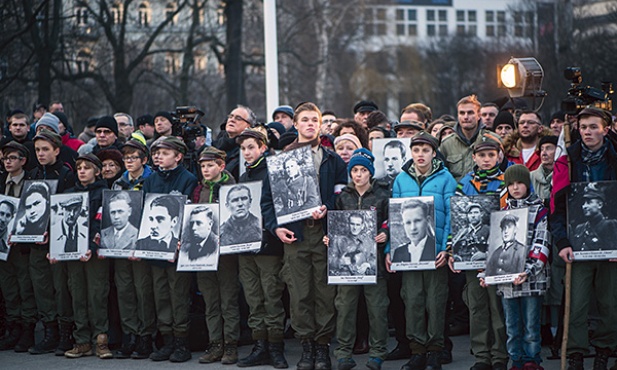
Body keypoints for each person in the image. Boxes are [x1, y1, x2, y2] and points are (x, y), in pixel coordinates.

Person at [262, 102, 348, 370]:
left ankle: (322, 346)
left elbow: (341, 197)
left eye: (315, 120)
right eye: (305, 120)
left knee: (324, 293)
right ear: (296, 124)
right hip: (296, 236)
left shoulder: (332, 160)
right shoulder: (280, 161)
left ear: (320, 125)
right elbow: (267, 201)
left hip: (324, 236)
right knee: (299, 294)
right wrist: (276, 227)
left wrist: (328, 211)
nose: (310, 124)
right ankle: (306, 346)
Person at [551, 107, 617, 370]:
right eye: (583, 127)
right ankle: (576, 352)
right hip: (577, 245)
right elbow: (557, 206)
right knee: (576, 303)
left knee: (609, 302)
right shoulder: (567, 160)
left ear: (606, 128)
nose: (587, 132)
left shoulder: (614, 160)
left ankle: (604, 349)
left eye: (593, 127)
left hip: (611, 245)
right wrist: (562, 242)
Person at [387, 132, 457, 370]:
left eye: (425, 150)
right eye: (416, 150)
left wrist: (446, 248)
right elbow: (394, 218)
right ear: (411, 153)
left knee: (435, 301)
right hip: (409, 254)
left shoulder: (446, 178)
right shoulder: (401, 180)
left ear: (433, 153)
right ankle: (417, 350)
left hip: (435, 252)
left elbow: (451, 214)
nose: (420, 155)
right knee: (413, 299)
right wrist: (391, 249)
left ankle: (435, 350)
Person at [324, 148, 389, 370]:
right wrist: (329, 238)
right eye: (354, 170)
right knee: (345, 307)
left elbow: (390, 221)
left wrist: (385, 233)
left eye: (363, 170)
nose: (358, 174)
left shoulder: (381, 195)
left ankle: (378, 352)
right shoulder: (343, 197)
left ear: (370, 172)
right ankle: (343, 353)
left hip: (375, 263)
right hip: (345, 266)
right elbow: (336, 226)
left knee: (377, 308)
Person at [483, 164, 550, 370]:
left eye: (520, 182)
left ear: (527, 183)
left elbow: (542, 243)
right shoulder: (502, 213)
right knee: (512, 326)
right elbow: (493, 247)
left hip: (531, 278)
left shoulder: (540, 210)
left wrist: (529, 269)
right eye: (510, 184)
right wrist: (487, 274)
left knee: (531, 325)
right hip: (507, 282)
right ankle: (516, 360)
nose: (515, 187)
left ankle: (531, 360)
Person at [449, 137, 508, 370]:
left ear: (498, 157)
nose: (486, 160)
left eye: (491, 155)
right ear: (474, 157)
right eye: (481, 155)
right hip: (471, 257)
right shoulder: (465, 183)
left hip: (498, 255)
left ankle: (500, 354)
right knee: (476, 306)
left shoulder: (505, 182)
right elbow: (458, 219)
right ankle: (482, 355)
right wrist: (452, 249)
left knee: (497, 305)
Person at [231, 128, 288, 368]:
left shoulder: (273, 171)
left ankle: (276, 346)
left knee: (271, 296)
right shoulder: (243, 176)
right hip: (245, 247)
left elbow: (279, 206)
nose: (247, 152)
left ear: (263, 147)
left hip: (269, 245)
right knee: (253, 297)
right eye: (243, 148)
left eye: (251, 147)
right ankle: (259, 345)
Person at [141, 136, 197, 363]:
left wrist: (182, 239)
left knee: (178, 294)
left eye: (164, 153)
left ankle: (182, 341)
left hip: (178, 247)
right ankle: (167, 341)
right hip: (155, 248)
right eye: (156, 153)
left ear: (178, 156)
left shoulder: (188, 179)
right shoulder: (150, 180)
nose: (158, 157)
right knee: (161, 293)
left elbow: (191, 212)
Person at [190, 146, 241, 365]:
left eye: (210, 165)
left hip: (226, 253)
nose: (206, 169)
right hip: (203, 253)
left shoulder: (232, 188)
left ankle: (231, 344)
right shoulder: (198, 190)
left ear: (221, 165)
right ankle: (215, 343)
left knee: (228, 299)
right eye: (202, 166)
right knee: (210, 300)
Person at [60, 153, 111, 359]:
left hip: (94, 251)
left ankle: (101, 339)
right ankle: (81, 340)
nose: (82, 171)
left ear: (97, 172)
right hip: (72, 252)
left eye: (87, 168)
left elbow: (101, 221)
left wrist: (92, 245)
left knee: (97, 294)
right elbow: (59, 222)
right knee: (77, 293)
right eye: (79, 168)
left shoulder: (102, 192)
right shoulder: (69, 193)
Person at [109, 140, 156, 360]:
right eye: (126, 158)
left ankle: (146, 335)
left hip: (142, 244)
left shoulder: (152, 180)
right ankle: (130, 334)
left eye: (133, 158)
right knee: (125, 290)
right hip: (120, 245)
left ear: (144, 160)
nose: (129, 162)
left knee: (142, 290)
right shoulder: (118, 183)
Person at [0, 142, 36, 352]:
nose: (8, 162)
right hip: (3, 244)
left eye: (12, 158)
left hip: (22, 243)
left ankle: (27, 327)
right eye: (5, 158)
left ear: (22, 161)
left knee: (25, 284)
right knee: (8, 285)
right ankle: (13, 325)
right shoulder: (0, 181)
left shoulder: (30, 183)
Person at [439, 95, 502, 181]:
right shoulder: (446, 144)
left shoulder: (493, 140)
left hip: (487, 192)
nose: (465, 117)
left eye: (470, 113)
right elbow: (441, 176)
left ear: (479, 115)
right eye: (462, 113)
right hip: (456, 193)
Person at [213, 105, 257, 180]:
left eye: (238, 118)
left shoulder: (250, 151)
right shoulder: (214, 146)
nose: (232, 120)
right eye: (230, 116)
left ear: (248, 126)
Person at [570, 184, 617, 252]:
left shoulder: (610, 225)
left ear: (600, 205)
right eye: (583, 203)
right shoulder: (579, 228)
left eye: (589, 202)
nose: (584, 206)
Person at [530, 136, 557, 206]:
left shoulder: (565, 176)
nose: (544, 153)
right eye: (542, 149)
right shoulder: (530, 177)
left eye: (548, 148)